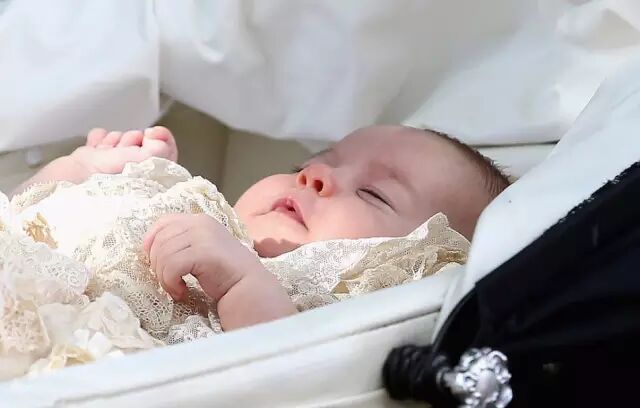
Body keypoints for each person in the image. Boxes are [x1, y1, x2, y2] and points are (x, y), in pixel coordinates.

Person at [0, 124, 507, 377]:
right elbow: (21, 224)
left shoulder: (314, 300)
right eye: (311, 162)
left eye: (374, 194)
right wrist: (84, 171)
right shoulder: (191, 203)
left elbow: (285, 378)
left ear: (416, 263)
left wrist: (241, 285)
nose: (316, 176)